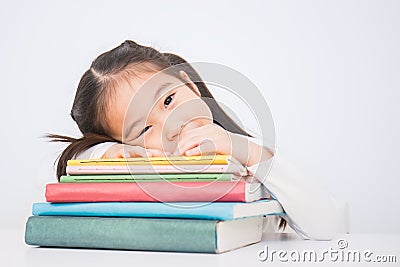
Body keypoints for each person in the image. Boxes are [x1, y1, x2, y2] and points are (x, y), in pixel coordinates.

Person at [48, 40, 340, 240]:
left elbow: (326, 226)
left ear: (189, 85)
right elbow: (67, 165)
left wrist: (243, 150)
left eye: (169, 100)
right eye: (144, 129)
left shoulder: (248, 155)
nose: (172, 125)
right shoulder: (135, 167)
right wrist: (106, 153)